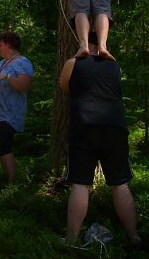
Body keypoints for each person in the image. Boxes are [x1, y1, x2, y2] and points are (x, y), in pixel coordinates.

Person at [59, 32, 141, 246]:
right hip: (115, 125)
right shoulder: (114, 65)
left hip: (84, 125)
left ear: (84, 43)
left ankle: (71, 239)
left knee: (80, 183)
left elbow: (64, 88)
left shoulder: (73, 63)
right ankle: (134, 236)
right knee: (120, 183)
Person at [0, 32, 34, 184]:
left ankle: (12, 184)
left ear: (9, 45)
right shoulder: (3, 62)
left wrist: (8, 77)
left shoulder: (23, 63)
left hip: (9, 115)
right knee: (0, 148)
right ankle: (8, 181)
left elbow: (24, 86)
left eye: (1, 45)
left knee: (4, 147)